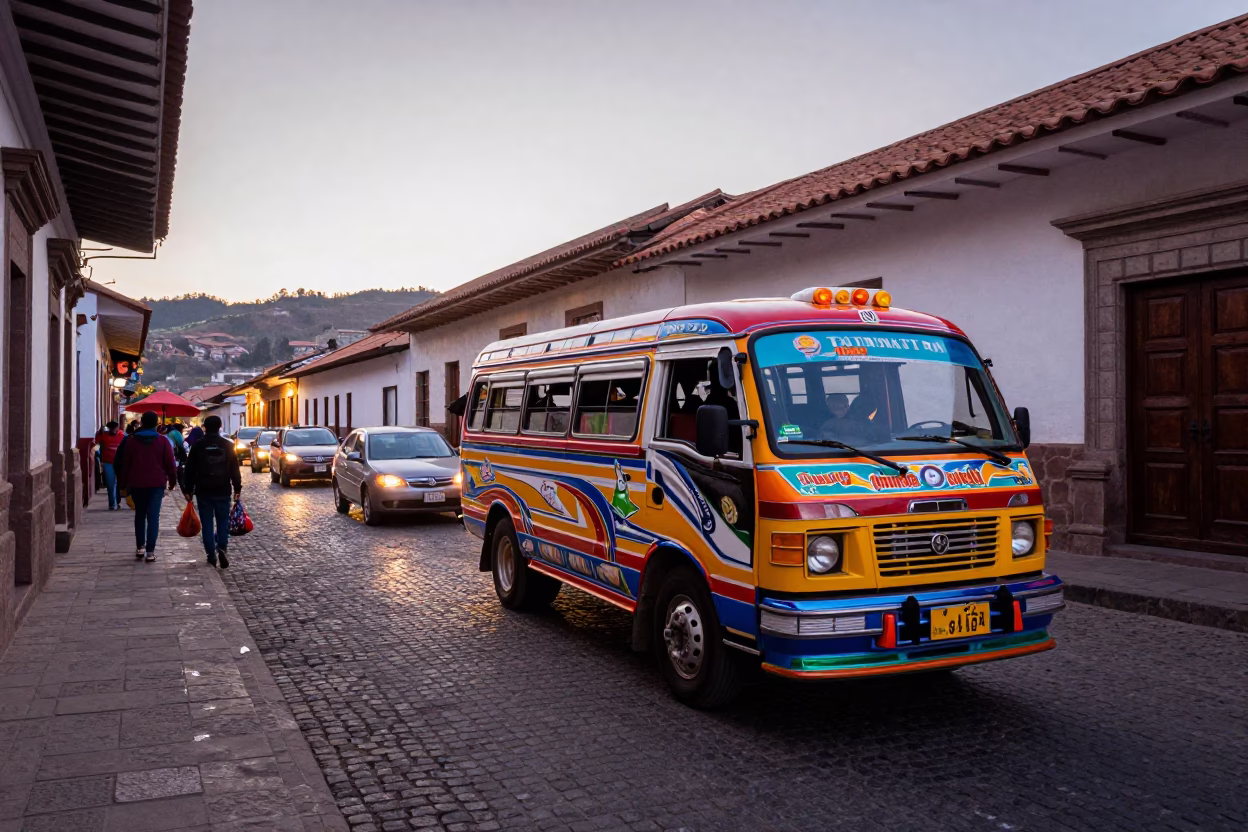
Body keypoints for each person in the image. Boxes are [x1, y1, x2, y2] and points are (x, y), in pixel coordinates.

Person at [115, 410, 177, 562]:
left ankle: (140, 547)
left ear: (142, 423)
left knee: (140, 515)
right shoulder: (163, 441)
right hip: (157, 484)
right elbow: (170, 464)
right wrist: (173, 482)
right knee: (153, 517)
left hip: (136, 483)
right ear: (157, 424)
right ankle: (150, 552)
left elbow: (125, 464)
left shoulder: (131, 441)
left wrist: (122, 484)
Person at [182, 415, 241, 569]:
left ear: (205, 427)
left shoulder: (198, 446)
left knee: (207, 524)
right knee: (223, 522)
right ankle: (221, 547)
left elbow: (189, 470)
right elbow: (234, 468)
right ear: (220, 426)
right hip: (223, 490)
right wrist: (237, 488)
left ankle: (211, 555)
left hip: (203, 490)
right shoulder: (228, 445)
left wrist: (187, 489)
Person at [94, 421, 124, 509]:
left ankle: (116, 502)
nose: (115, 430)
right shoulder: (104, 436)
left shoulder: (121, 436)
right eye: (113, 428)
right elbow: (96, 441)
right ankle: (112, 504)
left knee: (118, 484)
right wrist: (99, 432)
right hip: (108, 463)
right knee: (111, 484)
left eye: (116, 428)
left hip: (119, 463)